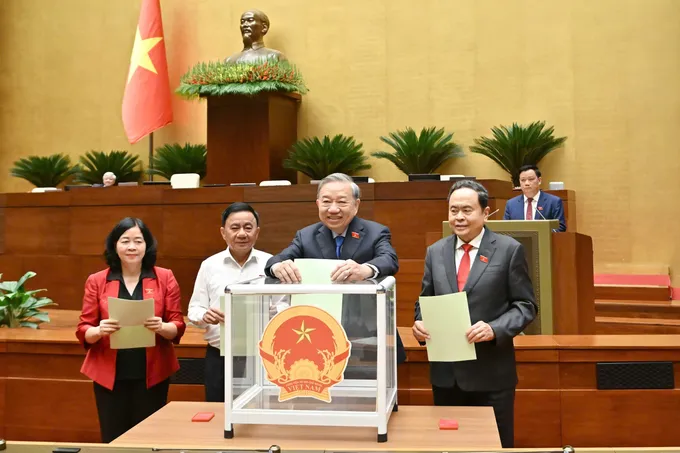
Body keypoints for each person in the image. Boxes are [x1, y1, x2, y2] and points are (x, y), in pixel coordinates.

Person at [412, 180, 537, 448]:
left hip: (491, 374)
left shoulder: (509, 250)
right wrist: (419, 322)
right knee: (450, 447)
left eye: (467, 210)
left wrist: (494, 329)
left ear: (485, 212)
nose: (459, 217)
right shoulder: (435, 252)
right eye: (453, 210)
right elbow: (425, 300)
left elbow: (525, 305)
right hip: (447, 377)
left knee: (494, 446)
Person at [265, 172, 406, 364]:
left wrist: (365, 270)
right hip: (320, 332)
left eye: (341, 202)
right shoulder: (306, 236)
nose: (333, 209)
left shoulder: (375, 232)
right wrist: (278, 267)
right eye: (326, 202)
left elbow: (389, 259)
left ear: (356, 205)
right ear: (317, 204)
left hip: (367, 332)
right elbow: (276, 260)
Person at [75, 217, 186, 443]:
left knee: (149, 438)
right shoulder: (97, 280)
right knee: (114, 437)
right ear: (114, 245)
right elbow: (84, 328)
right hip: (109, 373)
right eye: (125, 241)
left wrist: (162, 327)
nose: (132, 247)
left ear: (147, 245)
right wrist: (99, 330)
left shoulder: (165, 277)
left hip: (152, 371)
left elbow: (177, 324)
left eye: (138, 241)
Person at [187, 202, 286, 402]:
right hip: (219, 356)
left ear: (257, 232)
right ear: (223, 232)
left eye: (248, 227)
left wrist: (273, 312)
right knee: (217, 410)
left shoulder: (271, 264)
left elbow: (285, 305)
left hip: (262, 356)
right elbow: (195, 308)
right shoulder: (209, 265)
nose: (242, 234)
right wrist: (205, 315)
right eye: (235, 228)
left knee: (259, 410)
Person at [503, 164, 566, 231]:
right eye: (523, 180)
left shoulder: (554, 202)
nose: (526, 183)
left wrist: (541, 233)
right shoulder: (511, 204)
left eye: (531, 179)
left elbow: (560, 228)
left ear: (539, 180)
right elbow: (505, 229)